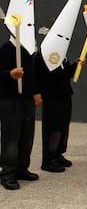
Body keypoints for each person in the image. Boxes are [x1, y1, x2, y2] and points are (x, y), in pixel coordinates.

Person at [0, 37, 42, 190]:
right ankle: (7, 173)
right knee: (11, 136)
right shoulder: (7, 48)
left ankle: (22, 168)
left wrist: (35, 92)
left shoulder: (29, 49)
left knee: (26, 135)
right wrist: (10, 74)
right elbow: (2, 72)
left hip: (27, 98)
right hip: (11, 99)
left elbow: (32, 74)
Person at [35, 52, 83, 172]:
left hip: (65, 95)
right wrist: (37, 92)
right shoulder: (43, 54)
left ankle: (58, 153)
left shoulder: (63, 54)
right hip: (51, 97)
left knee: (63, 126)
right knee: (53, 128)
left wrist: (76, 66)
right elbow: (38, 75)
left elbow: (66, 74)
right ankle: (48, 159)